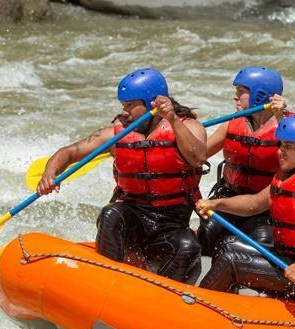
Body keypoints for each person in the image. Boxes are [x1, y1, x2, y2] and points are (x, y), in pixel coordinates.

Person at [36, 67, 206, 284]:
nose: (124, 112)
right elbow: (68, 153)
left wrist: (172, 119)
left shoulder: (188, 126)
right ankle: (104, 284)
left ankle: (163, 303)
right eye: (122, 106)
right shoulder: (118, 134)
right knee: (111, 214)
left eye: (130, 105)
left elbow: (198, 157)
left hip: (171, 223)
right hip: (132, 217)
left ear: (152, 103)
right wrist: (49, 174)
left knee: (189, 247)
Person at [196, 114, 295, 301]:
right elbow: (254, 204)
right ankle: (223, 305)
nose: (280, 151)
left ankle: (198, 307)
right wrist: (216, 204)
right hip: (293, 261)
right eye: (281, 145)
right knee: (227, 245)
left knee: (231, 262)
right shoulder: (288, 176)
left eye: (288, 146)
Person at [198, 66, 288, 257]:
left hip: (267, 211)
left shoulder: (288, 127)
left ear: (260, 95)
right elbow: (197, 155)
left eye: (241, 92)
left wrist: (281, 116)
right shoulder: (232, 123)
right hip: (229, 199)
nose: (235, 97)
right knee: (207, 233)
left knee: (259, 242)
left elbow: (256, 204)